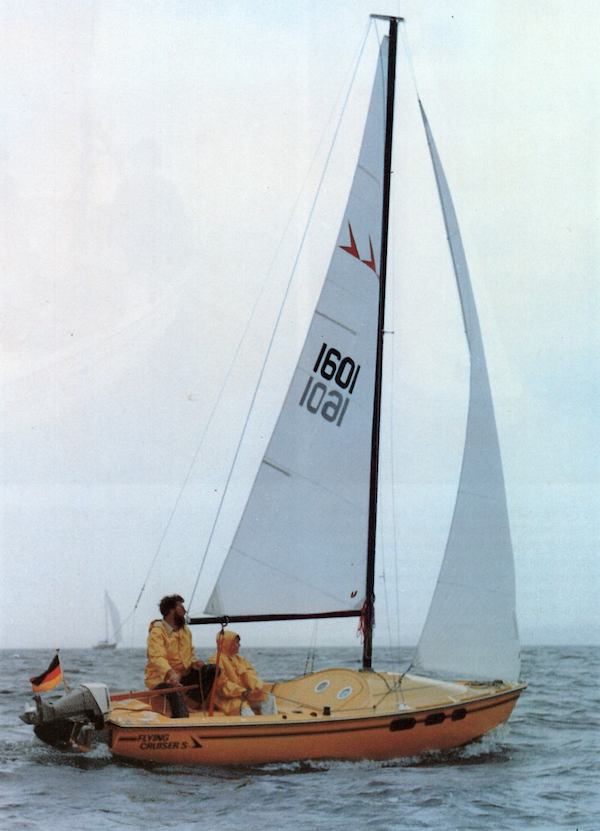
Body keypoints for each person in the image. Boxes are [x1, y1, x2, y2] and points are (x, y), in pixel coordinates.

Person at [144, 594, 216, 718]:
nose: (184, 610)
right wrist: (171, 673)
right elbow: (157, 657)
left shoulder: (185, 631)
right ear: (171, 610)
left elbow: (190, 653)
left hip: (182, 676)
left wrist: (195, 663)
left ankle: (190, 704)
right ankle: (181, 714)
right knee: (172, 690)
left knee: (212, 670)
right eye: (180, 607)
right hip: (162, 679)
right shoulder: (157, 631)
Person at [209, 630, 277, 717]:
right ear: (227, 644)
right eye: (236, 643)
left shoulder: (239, 659)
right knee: (243, 707)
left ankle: (271, 725)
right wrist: (242, 692)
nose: (239, 645)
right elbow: (222, 685)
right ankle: (255, 728)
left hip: (244, 695)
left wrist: (256, 687)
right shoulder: (215, 660)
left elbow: (250, 673)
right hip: (225, 699)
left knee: (268, 698)